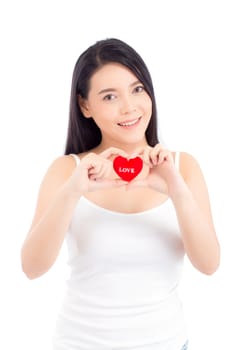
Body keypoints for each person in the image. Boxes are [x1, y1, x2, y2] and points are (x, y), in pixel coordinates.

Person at [21, 38, 220, 350]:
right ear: (85, 105)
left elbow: (209, 264)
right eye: (110, 96)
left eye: (138, 89)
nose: (129, 107)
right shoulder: (66, 171)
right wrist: (73, 191)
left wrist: (175, 189)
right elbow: (32, 267)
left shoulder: (183, 167)